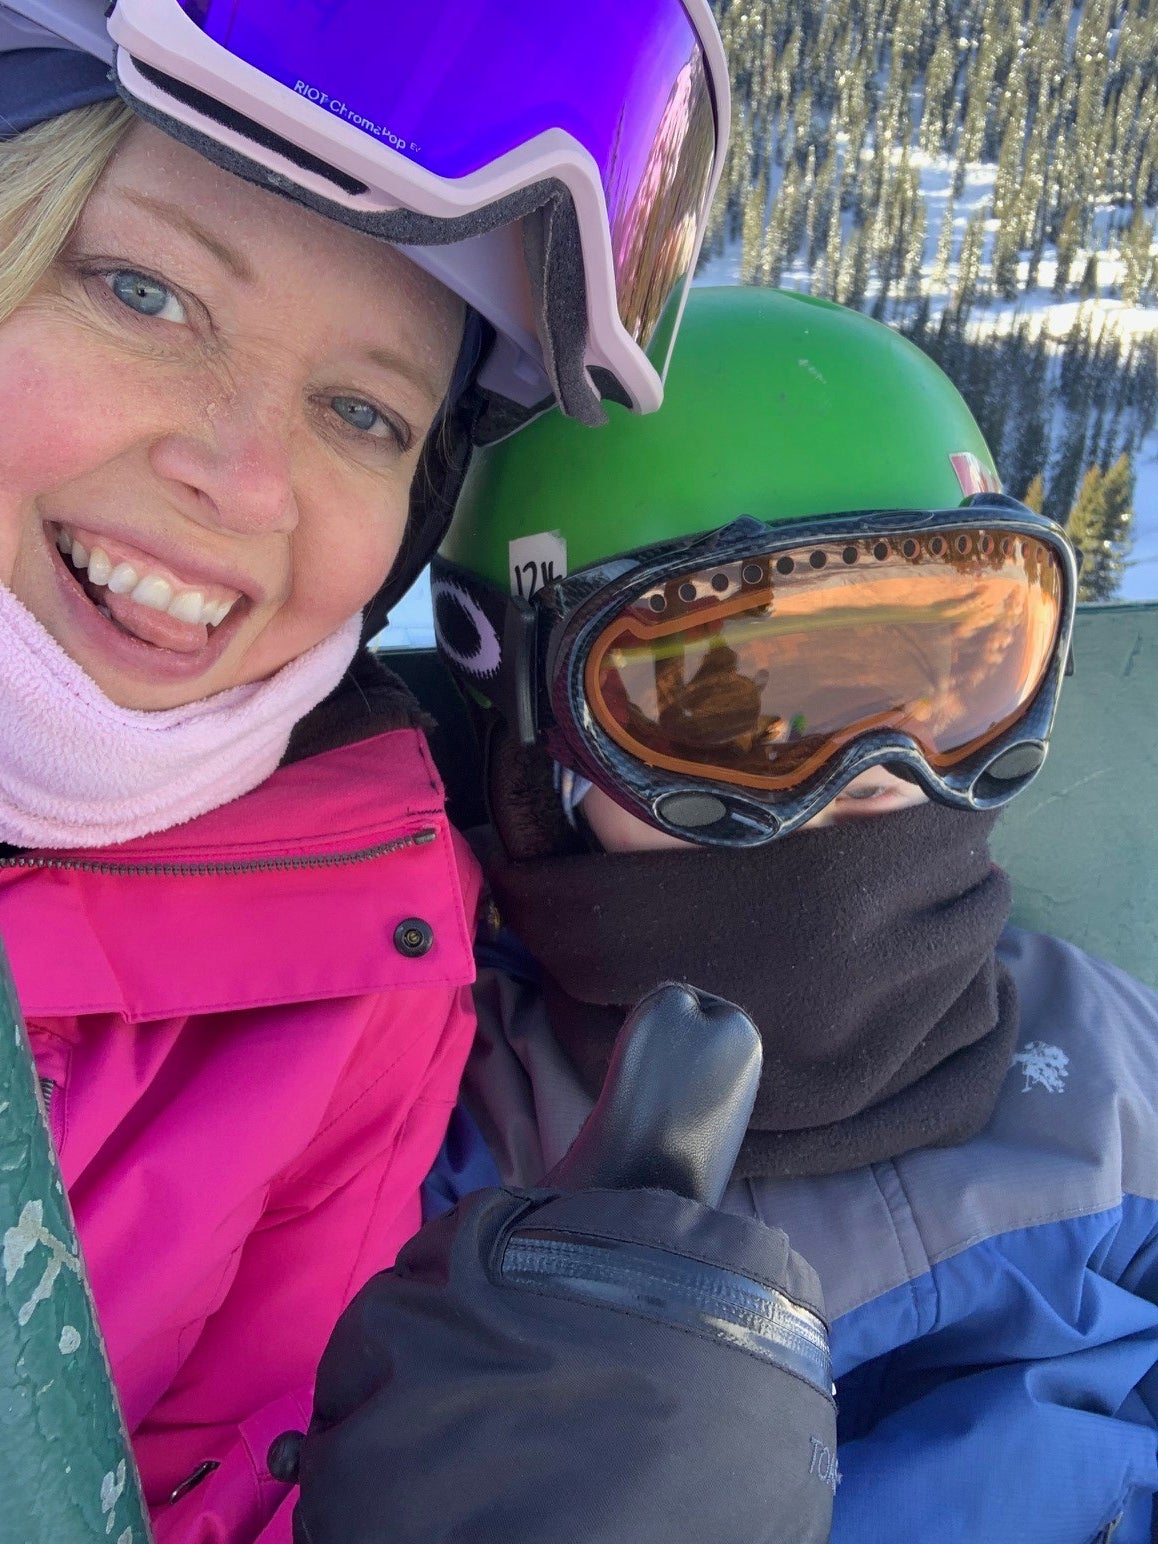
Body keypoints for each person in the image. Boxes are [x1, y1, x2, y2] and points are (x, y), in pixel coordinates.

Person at [0, 5, 788, 1542]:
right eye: (145, 293)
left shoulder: (356, 963)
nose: (240, 478)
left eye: (363, 411)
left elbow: (210, 1493)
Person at [430, 286, 1158, 1543]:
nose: (874, 769)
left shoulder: (1107, 1058)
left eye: (947, 679)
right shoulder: (459, 1137)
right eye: (728, 704)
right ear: (537, 749)